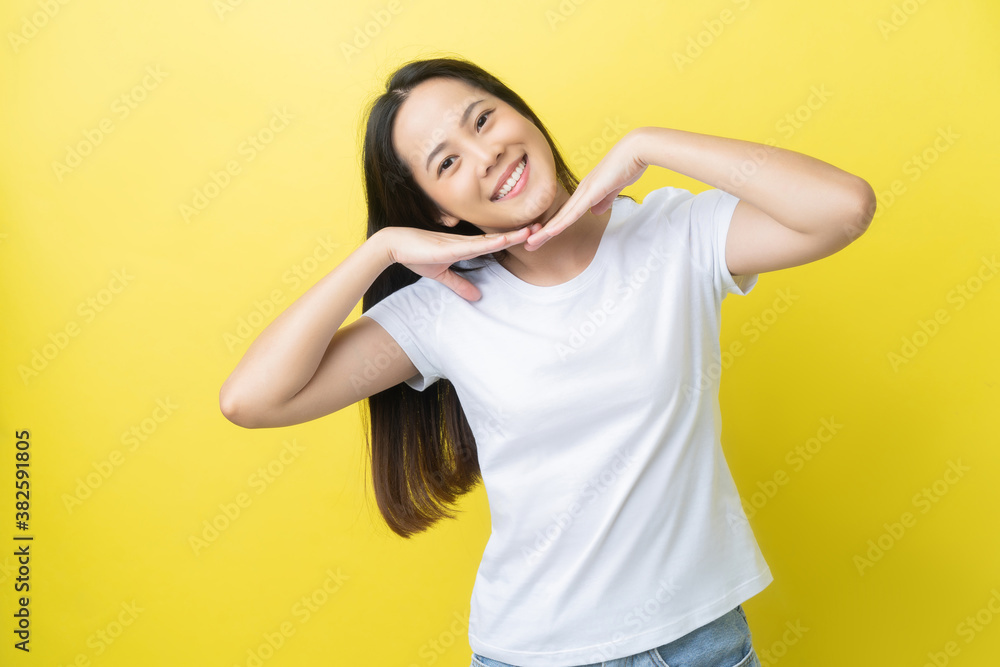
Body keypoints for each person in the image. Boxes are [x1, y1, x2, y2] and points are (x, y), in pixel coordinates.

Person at [219, 56, 876, 667]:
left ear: (522, 113)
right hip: (535, 652)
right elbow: (251, 400)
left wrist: (647, 144)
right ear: (438, 212)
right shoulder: (444, 306)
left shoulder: (672, 236)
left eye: (484, 119)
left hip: (701, 641)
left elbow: (844, 208)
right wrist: (382, 250)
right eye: (446, 163)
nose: (487, 152)